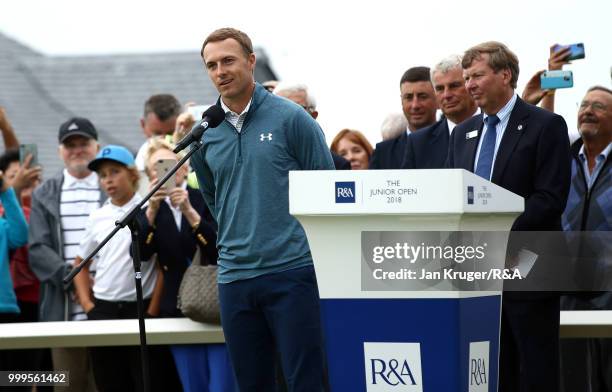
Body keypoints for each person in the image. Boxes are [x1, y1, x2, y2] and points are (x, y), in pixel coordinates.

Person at [191, 27, 334, 391]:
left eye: (228, 61)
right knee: (251, 384)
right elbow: (214, 198)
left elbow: (325, 188)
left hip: (293, 271)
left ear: (251, 61)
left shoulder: (291, 118)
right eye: (211, 65)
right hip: (235, 278)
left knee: (306, 382)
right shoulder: (205, 132)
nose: (220, 71)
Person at [447, 41, 571, 392]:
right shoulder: (462, 133)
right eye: (466, 76)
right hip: (477, 274)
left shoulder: (546, 126)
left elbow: (549, 199)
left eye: (477, 76)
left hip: (529, 267)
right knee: (491, 370)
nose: (469, 84)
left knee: (535, 370)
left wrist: (495, 234)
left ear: (506, 75)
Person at [136, 137, 235, 392]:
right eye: (156, 167)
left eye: (170, 164)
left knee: (222, 384)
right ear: (150, 175)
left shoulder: (205, 199)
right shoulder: (148, 210)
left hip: (214, 303)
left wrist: (190, 212)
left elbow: (219, 249)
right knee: (193, 384)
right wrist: (151, 212)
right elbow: (139, 256)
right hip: (177, 306)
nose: (166, 171)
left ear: (183, 166)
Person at [72, 145, 163, 392]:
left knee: (145, 379)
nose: (108, 179)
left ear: (132, 174)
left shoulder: (150, 208)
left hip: (141, 307)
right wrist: (88, 305)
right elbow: (80, 263)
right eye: (103, 175)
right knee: (109, 380)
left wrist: (153, 310)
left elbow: (162, 264)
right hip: (104, 308)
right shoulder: (97, 216)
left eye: (114, 172)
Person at [29, 117, 102, 392]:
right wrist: (73, 278)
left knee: (107, 384)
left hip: (109, 308)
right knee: (68, 387)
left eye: (84, 143)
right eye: (70, 145)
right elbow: (37, 249)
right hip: (62, 314)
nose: (77, 150)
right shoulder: (44, 193)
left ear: (96, 146)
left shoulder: (112, 187)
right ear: (60, 150)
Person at [560, 86, 611, 391]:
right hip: (567, 286)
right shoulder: (563, 157)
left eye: (600, 107)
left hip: (609, 289)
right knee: (571, 376)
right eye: (585, 104)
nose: (589, 110)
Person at [402, 55, 478, 169]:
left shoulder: (495, 129)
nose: (446, 95)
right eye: (440, 89)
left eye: (454, 86)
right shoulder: (418, 143)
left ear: (471, 85)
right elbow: (408, 186)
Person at [370, 66, 438, 169]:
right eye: (408, 97)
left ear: (437, 99)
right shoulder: (383, 153)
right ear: (401, 101)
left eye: (422, 96)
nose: (415, 105)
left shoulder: (453, 143)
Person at [0, 157, 30, 386]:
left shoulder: (1, 223)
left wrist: (6, 190)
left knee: (13, 380)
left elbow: (21, 235)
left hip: (5, 308)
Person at [274, 82, 350, 170]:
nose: (287, 115)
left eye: (297, 109)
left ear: (313, 116)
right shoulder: (259, 156)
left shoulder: (338, 165)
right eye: (279, 109)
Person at [134, 94, 182, 171]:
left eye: (170, 134)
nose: (164, 141)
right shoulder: (140, 164)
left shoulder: (196, 152)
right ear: (143, 125)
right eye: (157, 134)